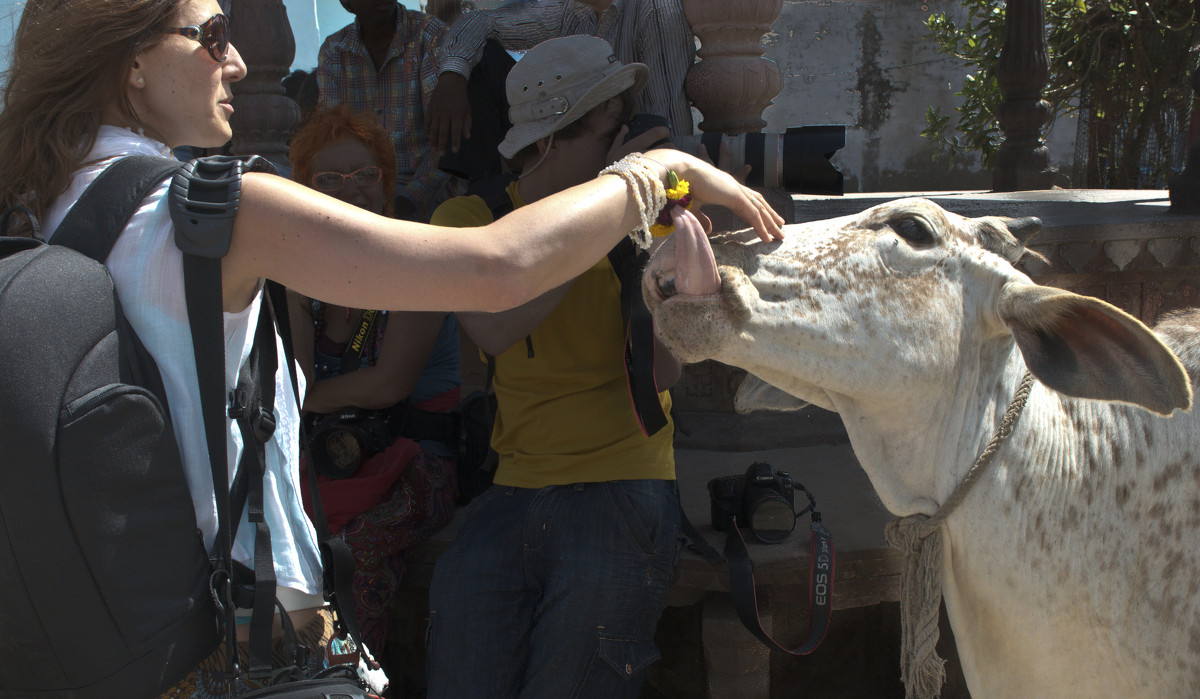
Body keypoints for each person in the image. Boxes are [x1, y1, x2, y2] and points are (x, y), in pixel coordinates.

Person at [0, 0, 781, 693]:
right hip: (246, 633)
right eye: (212, 34)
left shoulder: (42, 219)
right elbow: (496, 268)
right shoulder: (214, 209)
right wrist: (652, 172)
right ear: (133, 61)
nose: (236, 59)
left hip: (116, 634)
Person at [424, 35, 684, 698]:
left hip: (625, 483)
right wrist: (602, 209)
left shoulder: (649, 218)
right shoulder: (472, 218)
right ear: (548, 143)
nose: (626, 149)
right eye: (609, 135)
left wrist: (655, 226)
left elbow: (666, 374)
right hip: (512, 488)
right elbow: (495, 323)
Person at [285, 104, 461, 664]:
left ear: (386, 182)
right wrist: (290, 284)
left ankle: (347, 678)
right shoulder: (303, 272)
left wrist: (297, 399)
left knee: (350, 549)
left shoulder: (416, 258)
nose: (351, 189)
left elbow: (388, 385)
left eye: (365, 175)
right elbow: (302, 374)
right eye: (329, 179)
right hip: (332, 459)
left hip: (416, 459)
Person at [426, 0, 696, 158]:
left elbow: (667, 123)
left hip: (632, 161)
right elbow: (480, 22)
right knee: (482, 59)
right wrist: (452, 75)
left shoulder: (653, 8)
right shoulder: (575, 13)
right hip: (576, 160)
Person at [316, 0, 456, 222]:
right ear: (347, 2)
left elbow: (446, 143)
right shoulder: (334, 50)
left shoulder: (430, 35)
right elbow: (331, 139)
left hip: (428, 197)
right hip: (360, 196)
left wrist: (407, 201)